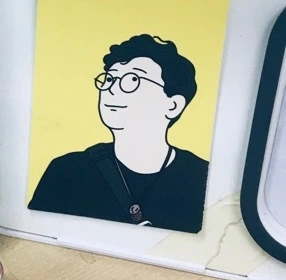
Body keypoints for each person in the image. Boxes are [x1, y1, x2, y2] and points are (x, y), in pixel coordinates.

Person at [27, 34, 208, 233]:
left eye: (133, 80)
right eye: (110, 79)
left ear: (173, 105)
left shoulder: (202, 178)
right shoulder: (67, 171)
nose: (111, 89)